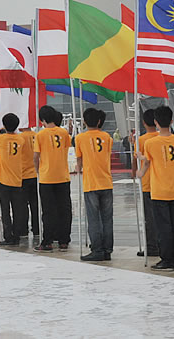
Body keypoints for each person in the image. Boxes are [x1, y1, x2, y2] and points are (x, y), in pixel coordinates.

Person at [138, 106, 174, 271]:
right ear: (171, 121)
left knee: (163, 227)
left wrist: (139, 172)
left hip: (158, 191)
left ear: (156, 122)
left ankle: (166, 259)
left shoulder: (150, 143)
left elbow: (148, 164)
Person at [76, 108, 114, 262]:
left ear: (84, 122)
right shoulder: (107, 137)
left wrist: (79, 168)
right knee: (107, 219)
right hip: (106, 181)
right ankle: (107, 249)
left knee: (93, 219)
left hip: (91, 183)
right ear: (99, 121)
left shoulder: (80, 138)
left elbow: (79, 160)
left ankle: (97, 249)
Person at [33, 106, 72, 253]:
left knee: (48, 211)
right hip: (62, 175)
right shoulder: (64, 133)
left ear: (42, 119)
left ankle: (48, 241)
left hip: (47, 177)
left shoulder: (40, 135)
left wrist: (38, 170)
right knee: (64, 210)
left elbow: (36, 156)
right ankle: (64, 240)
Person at [0, 113, 26, 246]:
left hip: (3, 180)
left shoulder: (1, 138)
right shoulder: (21, 140)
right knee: (17, 210)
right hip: (17, 179)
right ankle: (17, 235)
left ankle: (8, 236)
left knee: (5, 210)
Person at [133, 109, 159, 257]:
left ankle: (152, 246)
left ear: (144, 122)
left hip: (147, 183)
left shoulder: (142, 140)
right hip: (159, 182)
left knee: (149, 218)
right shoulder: (161, 137)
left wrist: (134, 171)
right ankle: (161, 244)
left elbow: (137, 160)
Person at [18, 125, 39, 237]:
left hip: (23, 174)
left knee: (22, 205)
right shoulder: (37, 136)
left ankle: (23, 230)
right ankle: (37, 229)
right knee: (35, 204)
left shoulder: (20, 138)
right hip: (36, 174)